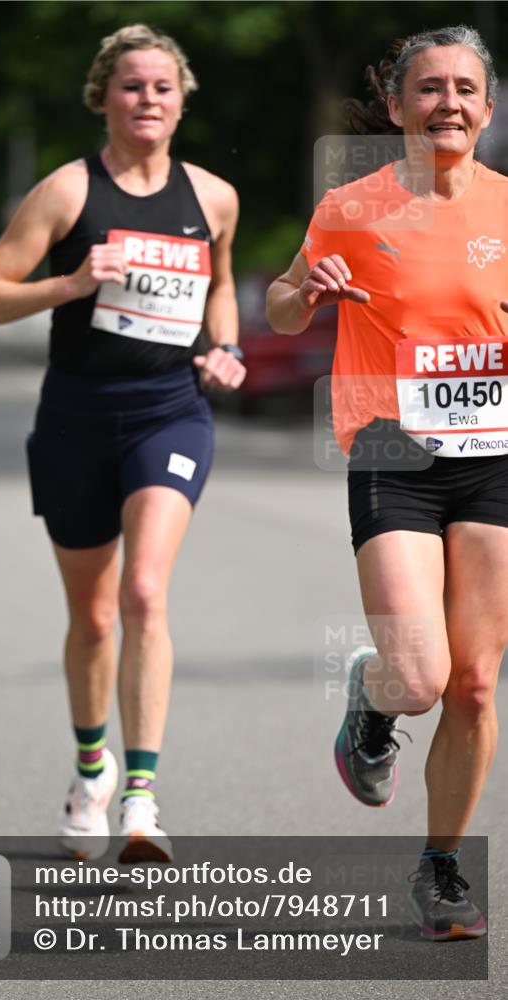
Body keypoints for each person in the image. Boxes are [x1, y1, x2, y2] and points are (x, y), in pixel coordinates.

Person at [0, 24, 244, 863]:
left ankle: (140, 798)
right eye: (131, 85)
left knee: (143, 593)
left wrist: (225, 348)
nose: (146, 99)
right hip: (76, 419)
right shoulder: (66, 191)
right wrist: (71, 283)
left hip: (169, 413)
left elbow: (221, 284)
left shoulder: (214, 197)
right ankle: (92, 770)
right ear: (103, 98)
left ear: (181, 100)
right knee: (91, 618)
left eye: (161, 86)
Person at [267, 25, 507, 941]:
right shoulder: (352, 206)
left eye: (464, 89)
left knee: (474, 686)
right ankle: (372, 699)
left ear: (487, 108)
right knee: (418, 675)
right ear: (399, 105)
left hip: (494, 453)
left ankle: (440, 868)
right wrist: (307, 291)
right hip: (393, 450)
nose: (447, 103)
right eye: (429, 88)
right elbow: (282, 308)